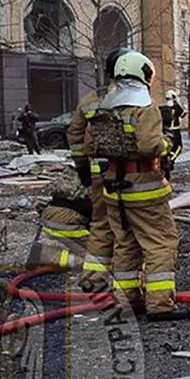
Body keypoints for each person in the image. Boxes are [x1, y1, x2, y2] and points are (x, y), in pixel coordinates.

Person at [91, 50, 189, 322]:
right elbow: (149, 146)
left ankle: (127, 301)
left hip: (115, 190)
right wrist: (168, 142)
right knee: (161, 243)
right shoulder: (144, 109)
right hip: (144, 189)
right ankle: (160, 305)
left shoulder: (105, 108)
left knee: (126, 245)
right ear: (143, 74)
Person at [66, 48, 125, 295]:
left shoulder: (91, 100)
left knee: (100, 225)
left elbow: (74, 135)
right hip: (126, 175)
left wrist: (83, 169)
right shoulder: (133, 99)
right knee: (127, 231)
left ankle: (93, 280)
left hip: (98, 174)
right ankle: (128, 287)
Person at [160, 90, 185, 177]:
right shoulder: (176, 108)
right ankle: (171, 160)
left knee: (167, 149)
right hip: (175, 131)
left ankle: (166, 164)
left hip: (165, 132)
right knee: (178, 147)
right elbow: (183, 114)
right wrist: (177, 102)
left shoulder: (163, 108)